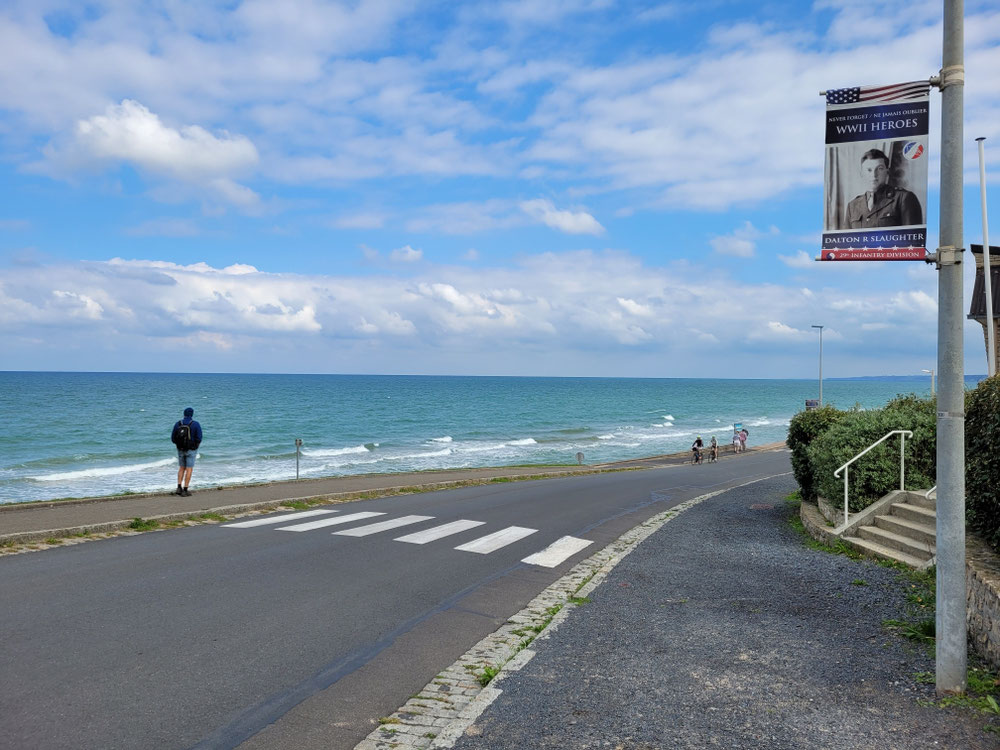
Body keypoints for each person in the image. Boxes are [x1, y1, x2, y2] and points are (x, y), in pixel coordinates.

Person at [845, 149, 922, 229]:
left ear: (887, 172)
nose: (874, 175)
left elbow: (912, 238)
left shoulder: (903, 198)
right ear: (862, 174)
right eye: (869, 170)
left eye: (879, 169)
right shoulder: (852, 206)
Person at [170, 407, 202, 496]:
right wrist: (195, 446)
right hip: (191, 450)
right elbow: (199, 438)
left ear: (184, 414)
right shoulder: (195, 424)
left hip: (180, 449)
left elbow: (173, 438)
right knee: (189, 469)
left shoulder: (178, 424)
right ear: (192, 414)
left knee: (181, 468)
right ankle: (185, 489)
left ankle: (178, 487)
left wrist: (179, 445)